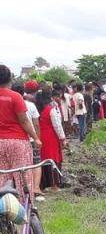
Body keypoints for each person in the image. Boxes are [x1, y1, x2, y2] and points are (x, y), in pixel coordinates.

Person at [0, 65, 42, 196]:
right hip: (17, 142)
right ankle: (24, 210)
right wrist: (36, 138)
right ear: (10, 80)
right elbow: (24, 120)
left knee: (2, 178)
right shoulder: (15, 96)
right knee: (22, 178)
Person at [39, 89, 66, 192]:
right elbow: (57, 126)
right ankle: (54, 185)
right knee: (53, 159)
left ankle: (43, 185)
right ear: (50, 98)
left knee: (43, 160)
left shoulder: (39, 109)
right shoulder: (51, 110)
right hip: (51, 137)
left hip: (41, 136)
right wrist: (63, 138)